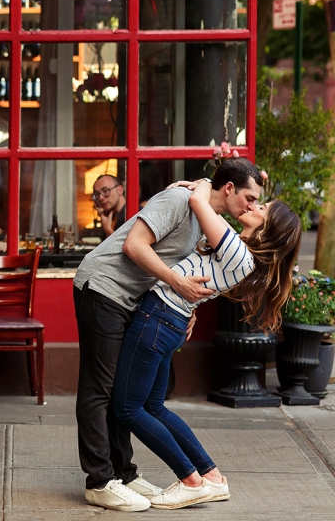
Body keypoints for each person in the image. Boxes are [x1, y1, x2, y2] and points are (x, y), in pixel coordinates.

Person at [73, 157, 263, 512]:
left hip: (134, 299)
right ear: (229, 188)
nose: (252, 206)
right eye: (250, 198)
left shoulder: (208, 220)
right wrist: (178, 283)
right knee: (99, 389)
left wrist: (190, 305)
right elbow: (134, 245)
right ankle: (99, 482)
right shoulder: (178, 200)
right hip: (103, 287)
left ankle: (123, 474)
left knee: (121, 391)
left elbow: (193, 266)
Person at [112, 181, 300, 509]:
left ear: (269, 229)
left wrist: (201, 183)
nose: (253, 206)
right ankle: (210, 475)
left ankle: (190, 480)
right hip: (170, 320)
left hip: (158, 319)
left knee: (128, 408)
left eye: (263, 208)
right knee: (154, 407)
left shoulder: (238, 251)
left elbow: (200, 203)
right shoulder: (238, 250)